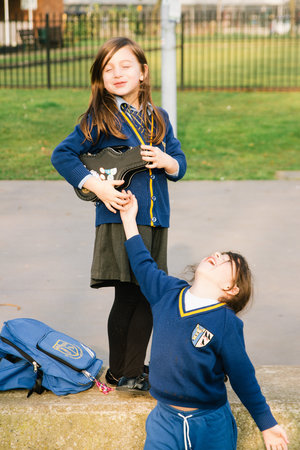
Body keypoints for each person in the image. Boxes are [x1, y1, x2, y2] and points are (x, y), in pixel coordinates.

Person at [51, 37, 187, 391]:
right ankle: (122, 370)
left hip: (157, 221)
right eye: (108, 68)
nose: (117, 73)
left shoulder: (159, 118)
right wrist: (95, 186)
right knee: (129, 293)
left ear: (143, 72)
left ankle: (131, 368)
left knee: (148, 293)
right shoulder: (100, 118)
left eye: (125, 65)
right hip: (120, 218)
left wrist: (169, 161)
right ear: (100, 78)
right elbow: (62, 155)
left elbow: (180, 161)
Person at [120, 192, 289, 450]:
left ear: (231, 288)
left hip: (210, 423)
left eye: (228, 261)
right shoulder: (167, 292)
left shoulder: (225, 322)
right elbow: (142, 264)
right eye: (220, 253)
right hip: (164, 420)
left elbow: (243, 376)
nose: (218, 254)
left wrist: (267, 424)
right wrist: (129, 219)